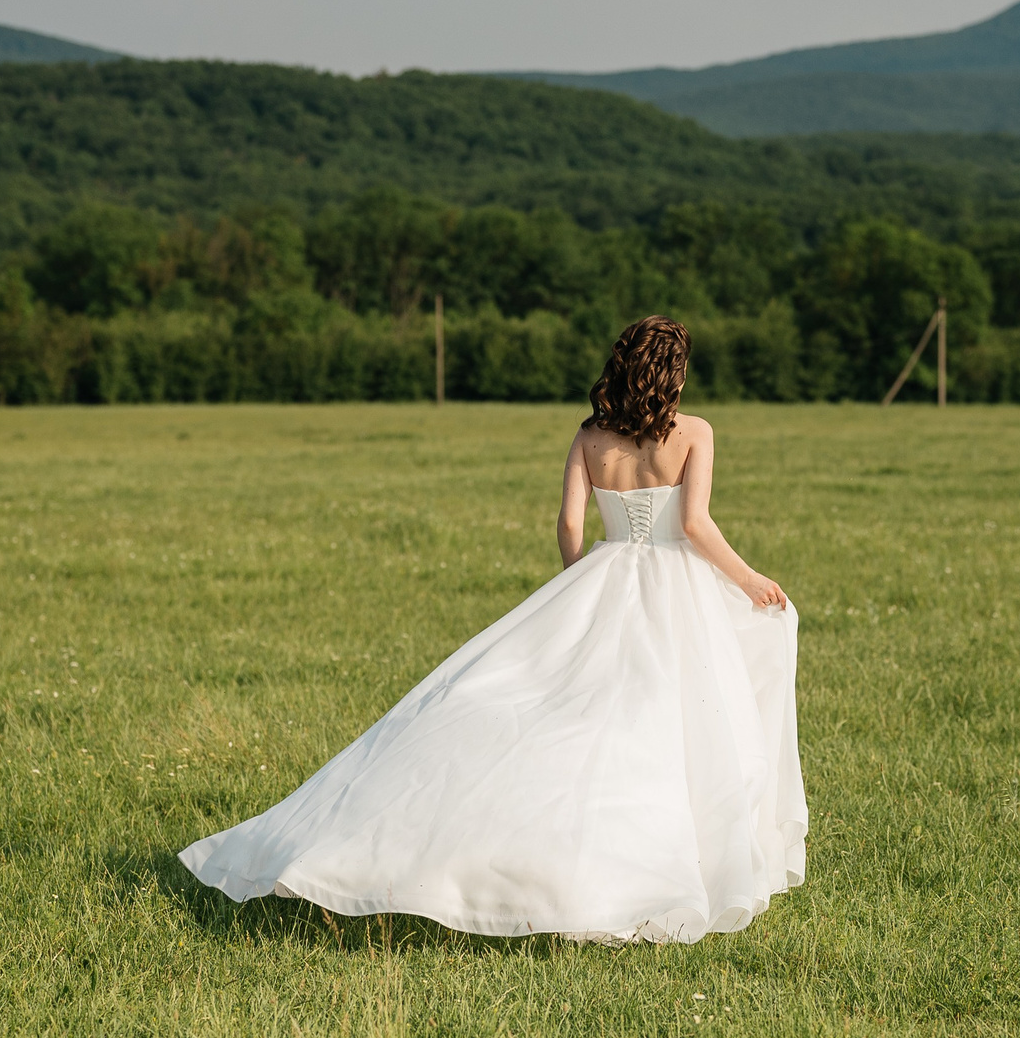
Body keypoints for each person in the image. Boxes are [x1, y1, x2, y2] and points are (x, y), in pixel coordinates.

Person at [179, 315, 804, 944]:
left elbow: (568, 524)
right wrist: (749, 578)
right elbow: (694, 524)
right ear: (676, 372)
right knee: (670, 721)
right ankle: (674, 866)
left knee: (574, 713)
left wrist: (579, 584)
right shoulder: (694, 432)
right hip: (678, 588)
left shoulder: (589, 438)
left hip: (605, 574)